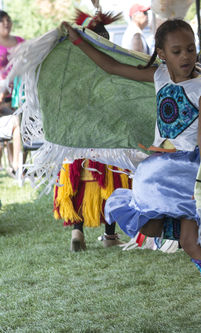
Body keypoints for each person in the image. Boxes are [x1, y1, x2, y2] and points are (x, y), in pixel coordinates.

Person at [62, 19, 201, 326]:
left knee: (189, 240)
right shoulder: (159, 75)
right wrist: (78, 41)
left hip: (186, 173)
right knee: (150, 227)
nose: (186, 56)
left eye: (190, 49)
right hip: (156, 173)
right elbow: (111, 66)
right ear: (162, 53)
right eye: (177, 50)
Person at [53, 9, 129, 252]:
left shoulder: (71, 70)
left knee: (76, 182)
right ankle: (109, 235)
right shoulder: (111, 67)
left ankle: (77, 231)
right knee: (110, 182)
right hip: (105, 137)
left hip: (77, 139)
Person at [0, 10, 23, 176]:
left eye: (8, 20)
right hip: (3, 94)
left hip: (14, 94)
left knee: (16, 122)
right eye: (2, 21)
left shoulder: (20, 42)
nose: (6, 23)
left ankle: (15, 166)